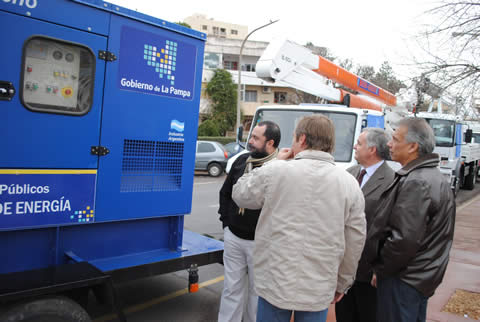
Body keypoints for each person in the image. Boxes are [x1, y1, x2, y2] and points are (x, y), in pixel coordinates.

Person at [232, 115, 366, 322]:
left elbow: (240, 194)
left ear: (302, 139)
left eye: (294, 137)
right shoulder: (349, 183)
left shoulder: (276, 170)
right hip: (320, 284)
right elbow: (355, 239)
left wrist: (273, 162)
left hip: (275, 280)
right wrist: (343, 282)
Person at [365, 118, 456, 322]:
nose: (389, 144)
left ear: (413, 146)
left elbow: (403, 239)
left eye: (396, 139)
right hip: (417, 277)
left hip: (403, 280)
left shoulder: (417, 181)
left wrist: (382, 269)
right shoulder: (430, 176)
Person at [217, 121, 281, 322]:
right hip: (234, 237)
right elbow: (225, 193)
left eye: (256, 138)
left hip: (261, 243)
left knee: (256, 293)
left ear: (270, 142)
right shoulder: (241, 161)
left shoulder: (280, 168)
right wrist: (226, 223)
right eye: (250, 136)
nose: (250, 141)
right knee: (231, 289)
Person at [335, 128, 395, 322]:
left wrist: (381, 268)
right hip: (342, 267)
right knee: (344, 316)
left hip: (369, 271)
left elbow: (391, 228)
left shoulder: (392, 181)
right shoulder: (348, 174)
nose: (354, 146)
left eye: (359, 143)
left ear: (372, 149)